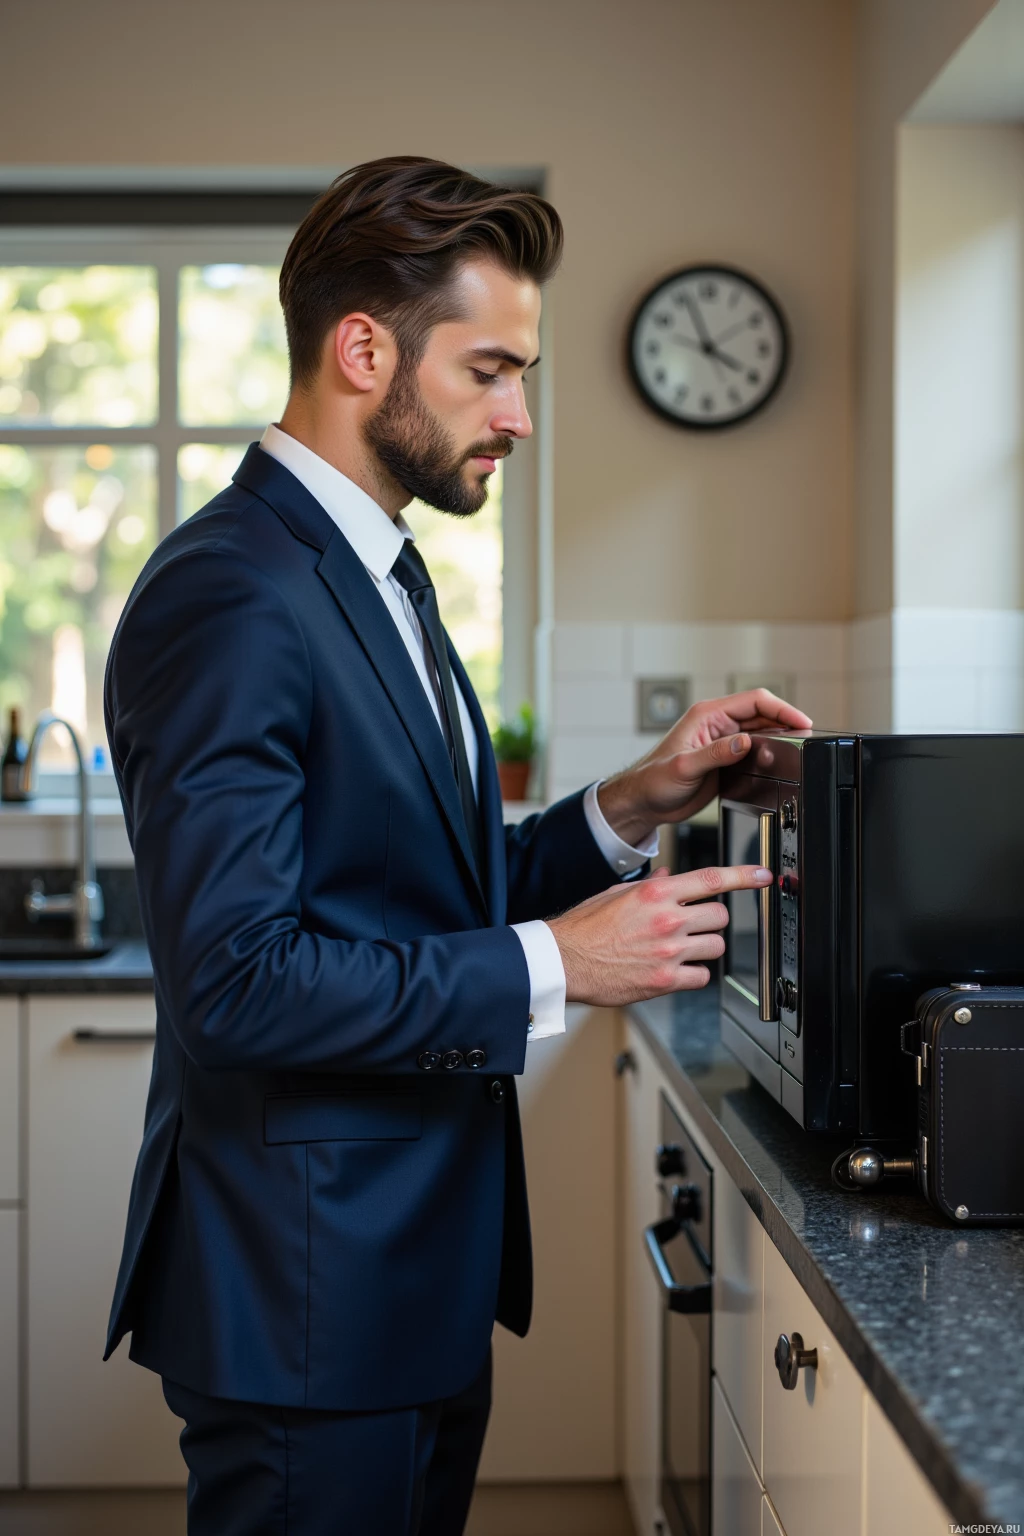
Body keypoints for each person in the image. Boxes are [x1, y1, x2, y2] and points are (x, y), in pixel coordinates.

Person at [103, 156, 812, 1536]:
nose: (522, 417)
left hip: (403, 1273)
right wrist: (556, 961)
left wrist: (636, 802)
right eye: (490, 371)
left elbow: (415, 891)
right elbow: (239, 981)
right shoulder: (233, 593)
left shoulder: (378, 570)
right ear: (364, 349)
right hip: (308, 1294)